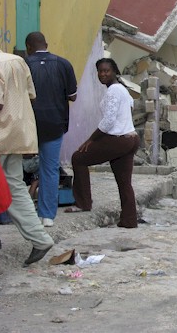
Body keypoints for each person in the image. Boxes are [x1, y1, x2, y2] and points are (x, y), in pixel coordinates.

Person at [65, 58, 140, 228]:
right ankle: (129, 220)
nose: (103, 74)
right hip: (131, 138)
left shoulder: (114, 90)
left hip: (118, 139)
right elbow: (130, 107)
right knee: (124, 182)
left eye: (107, 71)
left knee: (78, 158)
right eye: (100, 71)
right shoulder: (122, 89)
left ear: (114, 72)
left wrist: (90, 140)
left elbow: (108, 122)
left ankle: (83, 203)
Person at [0, 47, 54, 266]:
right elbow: (31, 95)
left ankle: (39, 238)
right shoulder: (18, 61)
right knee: (14, 186)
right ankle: (40, 238)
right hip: (18, 132)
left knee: (8, 186)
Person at [25, 31, 77, 227]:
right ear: (46, 44)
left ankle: (8, 215)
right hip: (55, 124)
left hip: (29, 125)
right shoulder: (64, 64)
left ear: (28, 47)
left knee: (12, 170)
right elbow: (73, 96)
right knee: (50, 169)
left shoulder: (24, 64)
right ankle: (47, 216)